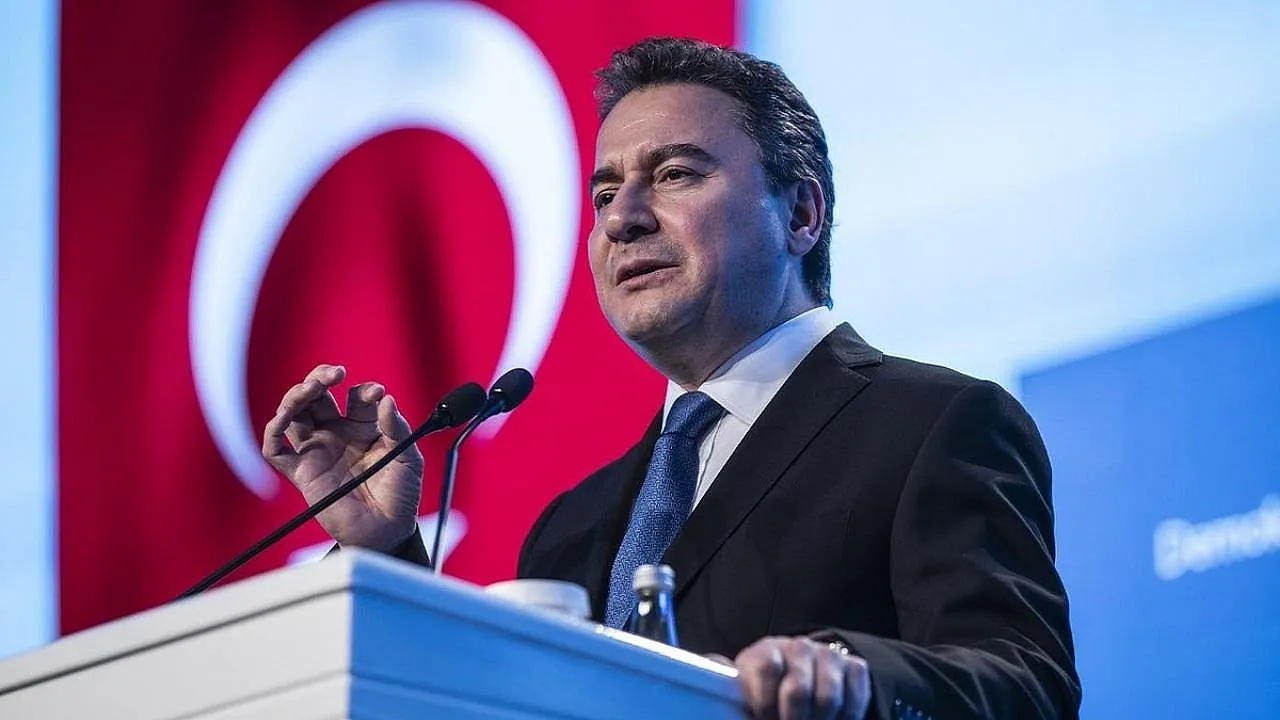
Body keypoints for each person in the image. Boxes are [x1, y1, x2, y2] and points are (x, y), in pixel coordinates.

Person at [263, 37, 1079, 720]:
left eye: (677, 174)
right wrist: (386, 548)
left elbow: (1026, 688)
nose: (622, 218)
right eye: (605, 192)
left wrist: (851, 675)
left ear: (801, 215)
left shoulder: (933, 424)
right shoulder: (571, 528)